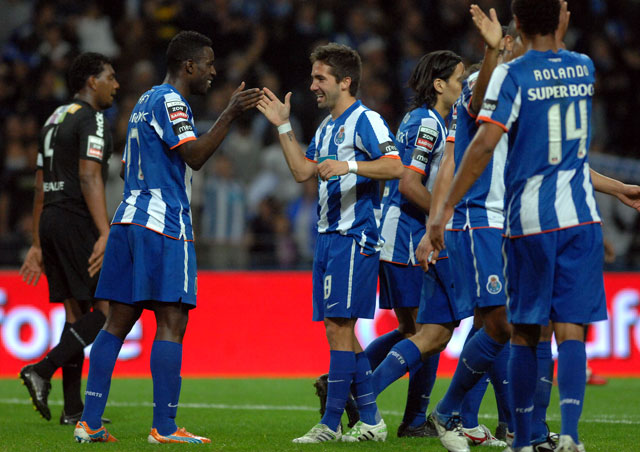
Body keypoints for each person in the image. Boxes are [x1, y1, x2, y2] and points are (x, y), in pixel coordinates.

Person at [423, 1, 640, 451]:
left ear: (517, 26)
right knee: (554, 329)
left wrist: (442, 210)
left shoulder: (512, 78)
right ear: (563, 21)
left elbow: (485, 141)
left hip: (528, 220)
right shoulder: (582, 68)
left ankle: (525, 435)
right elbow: (560, 152)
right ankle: (556, 434)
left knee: (523, 330)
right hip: (573, 218)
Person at [73, 30, 263, 444]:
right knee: (173, 320)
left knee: (117, 323)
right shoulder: (173, 102)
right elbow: (194, 156)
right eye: (208, 63)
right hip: (162, 223)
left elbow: (125, 168)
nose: (214, 71)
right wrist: (230, 113)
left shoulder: (143, 102)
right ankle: (164, 427)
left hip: (128, 219)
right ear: (189, 65)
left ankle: (89, 422)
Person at [257, 42, 403, 443]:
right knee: (340, 332)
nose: (313, 86)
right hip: (327, 238)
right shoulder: (326, 128)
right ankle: (370, 420)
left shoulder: (366, 121)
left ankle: (330, 424)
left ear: (345, 81)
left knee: (339, 328)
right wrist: (283, 126)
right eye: (312, 78)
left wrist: (349, 165)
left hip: (354, 237)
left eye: (320, 78)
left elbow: (396, 167)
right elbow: (302, 172)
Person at [18, 52, 119, 426]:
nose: (116, 85)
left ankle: (73, 408)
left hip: (51, 218)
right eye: (110, 77)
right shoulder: (92, 118)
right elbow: (90, 176)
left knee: (75, 314)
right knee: (107, 312)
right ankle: (41, 370)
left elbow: (40, 185)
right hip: (77, 219)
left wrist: (37, 242)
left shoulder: (54, 118)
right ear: (92, 81)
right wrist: (105, 232)